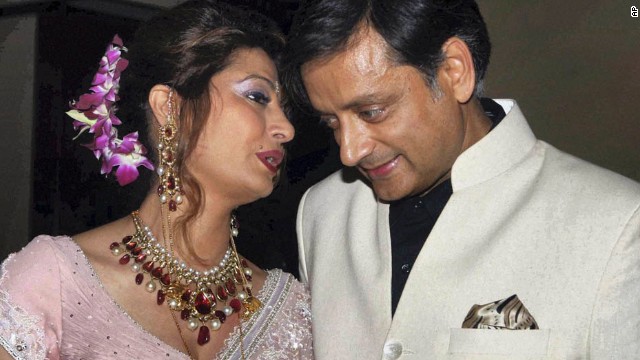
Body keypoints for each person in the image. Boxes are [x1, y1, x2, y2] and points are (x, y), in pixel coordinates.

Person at [283, 0, 640, 358]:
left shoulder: (619, 227)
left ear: (455, 71)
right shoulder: (322, 212)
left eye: (371, 112)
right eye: (331, 123)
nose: (349, 151)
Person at [0, 1, 313, 359]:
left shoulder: (290, 311)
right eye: (257, 97)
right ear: (170, 107)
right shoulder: (54, 282)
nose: (285, 129)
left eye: (285, 110)